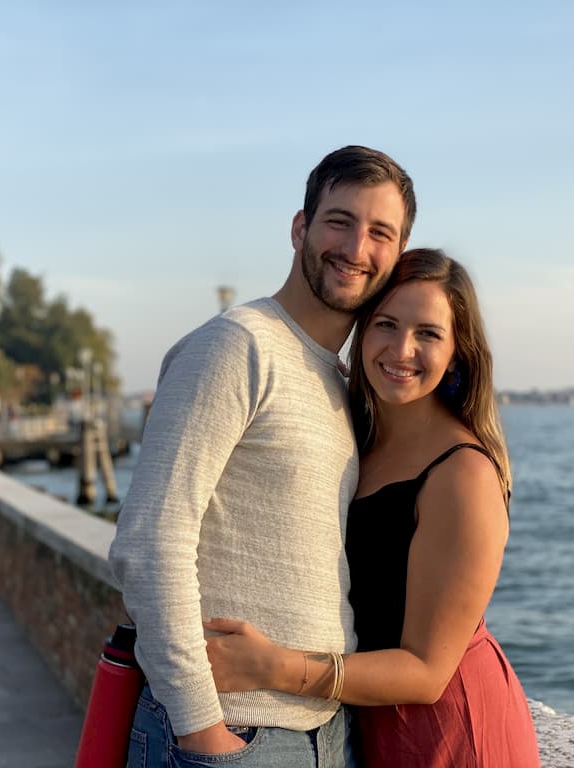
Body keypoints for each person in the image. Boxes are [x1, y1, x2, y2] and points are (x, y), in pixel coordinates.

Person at [107, 145, 417, 767]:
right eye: (339, 221)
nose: (356, 247)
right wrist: (204, 733)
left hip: (323, 735)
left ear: (397, 256)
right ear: (300, 228)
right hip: (235, 735)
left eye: (379, 232)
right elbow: (150, 543)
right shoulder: (236, 346)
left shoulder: (336, 379)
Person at [204, 249, 541, 767]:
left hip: (448, 729)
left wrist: (272, 667)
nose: (401, 349)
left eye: (428, 333)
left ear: (458, 352)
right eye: (386, 324)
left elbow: (429, 672)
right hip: (367, 714)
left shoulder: (462, 474)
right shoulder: (357, 438)